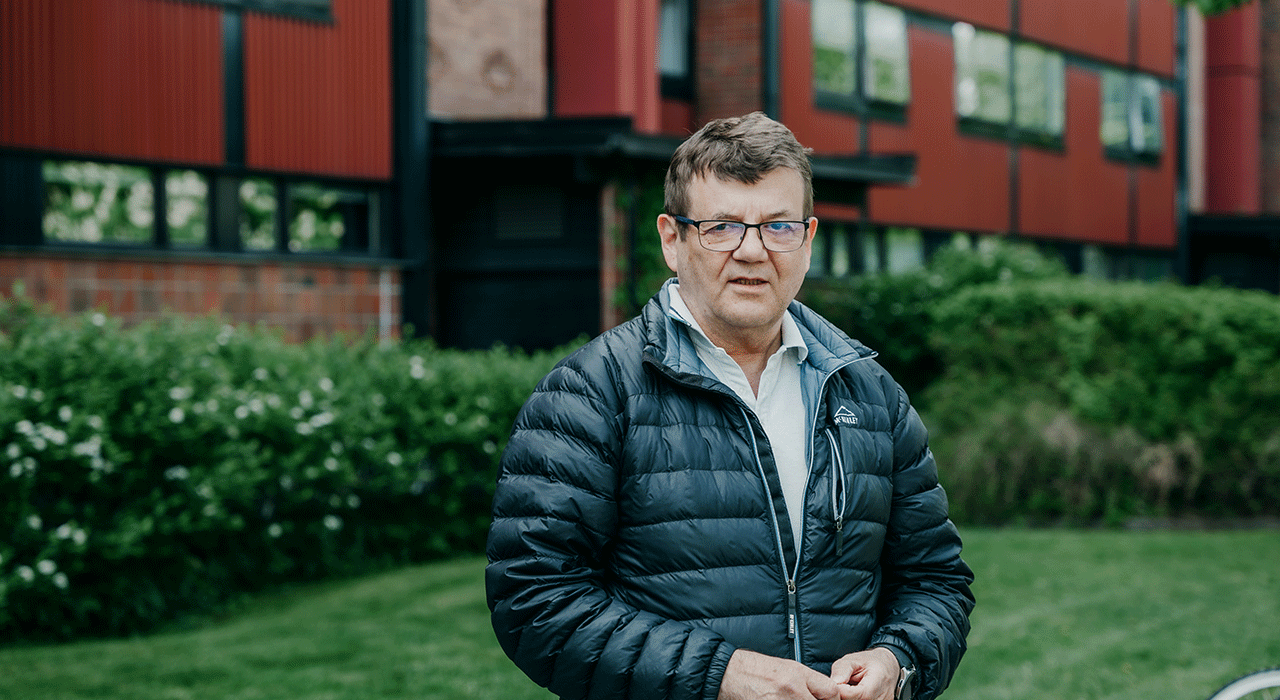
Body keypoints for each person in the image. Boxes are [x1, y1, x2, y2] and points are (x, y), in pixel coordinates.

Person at [486, 112, 975, 700]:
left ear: (808, 239)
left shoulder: (869, 394)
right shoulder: (589, 395)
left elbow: (936, 580)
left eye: (778, 227)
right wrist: (716, 676)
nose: (751, 251)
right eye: (721, 227)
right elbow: (535, 601)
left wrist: (898, 660)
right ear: (673, 239)